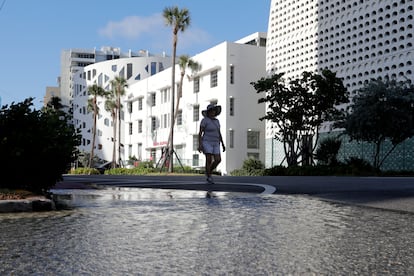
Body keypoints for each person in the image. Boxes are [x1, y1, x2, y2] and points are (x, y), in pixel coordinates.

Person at [198, 103, 226, 184]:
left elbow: (219, 132)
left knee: (218, 159)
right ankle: (209, 176)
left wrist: (223, 143)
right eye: (211, 111)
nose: (212, 112)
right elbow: (200, 133)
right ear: (208, 112)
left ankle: (208, 171)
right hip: (207, 141)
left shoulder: (217, 121)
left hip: (216, 142)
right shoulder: (205, 121)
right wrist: (200, 144)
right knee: (209, 159)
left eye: (214, 110)